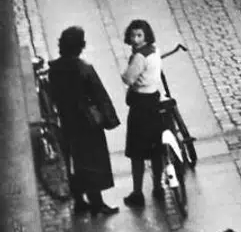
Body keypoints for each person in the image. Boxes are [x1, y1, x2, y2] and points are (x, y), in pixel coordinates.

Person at [46, 26, 120, 216]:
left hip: (67, 121)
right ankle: (97, 203)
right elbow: (99, 95)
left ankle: (79, 200)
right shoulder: (84, 69)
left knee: (74, 161)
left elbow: (53, 95)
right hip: (87, 124)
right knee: (93, 162)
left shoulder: (55, 69)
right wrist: (109, 118)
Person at [119, 19, 165, 209]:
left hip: (140, 106)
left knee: (137, 153)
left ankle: (138, 192)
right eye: (133, 35)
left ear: (145, 36)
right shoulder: (155, 50)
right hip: (154, 100)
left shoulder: (139, 57)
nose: (135, 39)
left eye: (139, 35)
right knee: (155, 150)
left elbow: (129, 78)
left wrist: (125, 74)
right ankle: (158, 187)